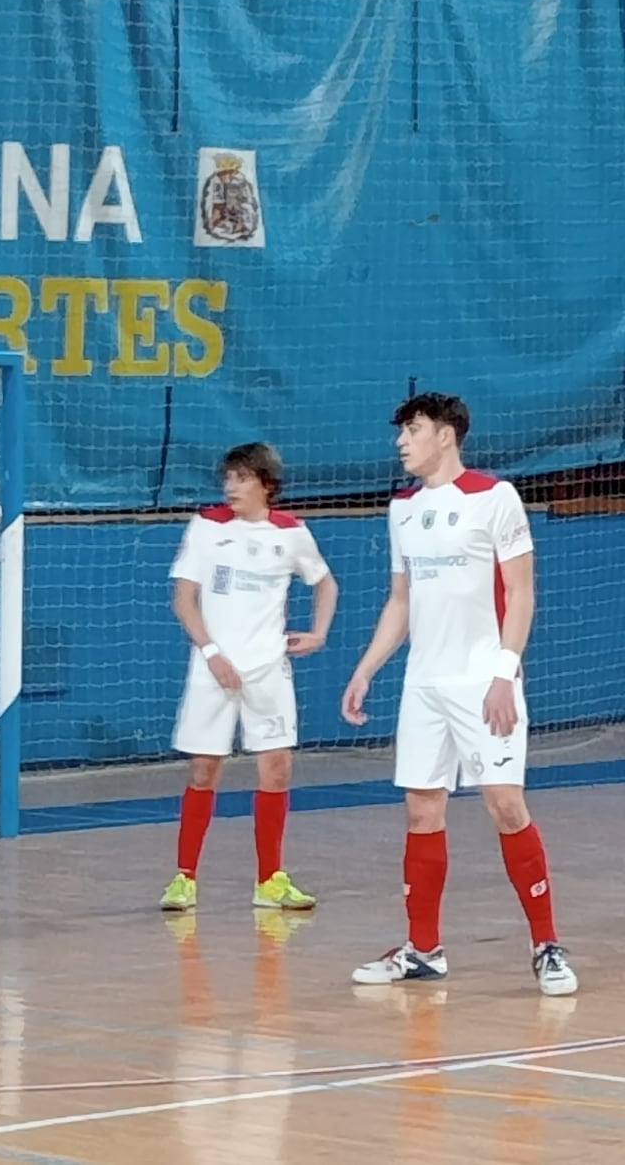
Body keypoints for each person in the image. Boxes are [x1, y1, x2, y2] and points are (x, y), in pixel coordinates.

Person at [341, 392, 575, 996]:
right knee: (422, 810)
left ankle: (546, 945)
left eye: (412, 430)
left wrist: (503, 672)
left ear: (445, 435)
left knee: (504, 804)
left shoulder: (496, 497)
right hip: (423, 684)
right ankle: (423, 951)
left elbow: (521, 593)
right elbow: (402, 601)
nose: (401, 441)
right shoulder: (401, 511)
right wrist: (367, 668)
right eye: (401, 431)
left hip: (483, 680)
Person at [160, 443, 338, 913]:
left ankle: (270, 880)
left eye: (241, 478)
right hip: (213, 669)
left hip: (269, 670)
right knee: (204, 770)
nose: (230, 487)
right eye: (228, 478)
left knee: (277, 770)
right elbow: (183, 599)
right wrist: (213, 653)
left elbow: (325, 582)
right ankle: (184, 878)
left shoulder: (291, 533)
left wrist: (318, 633)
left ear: (266, 484)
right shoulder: (207, 525)